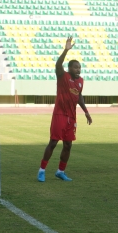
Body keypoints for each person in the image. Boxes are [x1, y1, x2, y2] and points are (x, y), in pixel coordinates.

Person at [38, 37, 92, 182]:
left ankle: (60, 171)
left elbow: (79, 96)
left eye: (79, 67)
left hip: (71, 116)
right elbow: (58, 64)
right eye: (75, 67)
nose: (78, 69)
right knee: (54, 142)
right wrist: (66, 50)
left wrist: (86, 112)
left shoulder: (80, 81)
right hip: (60, 114)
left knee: (68, 145)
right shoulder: (63, 76)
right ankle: (42, 170)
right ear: (69, 68)